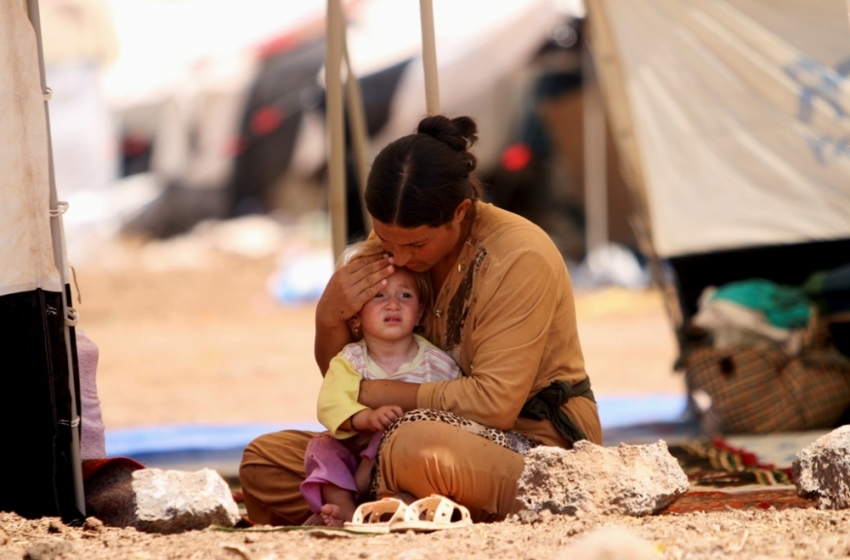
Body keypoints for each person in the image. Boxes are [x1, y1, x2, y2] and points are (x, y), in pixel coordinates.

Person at [240, 115, 602, 525]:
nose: (399, 257)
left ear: (460, 212)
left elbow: (494, 405)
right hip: (392, 444)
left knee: (412, 447)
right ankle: (390, 504)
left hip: (534, 448)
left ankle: (381, 503)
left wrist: (377, 395)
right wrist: (330, 316)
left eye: (416, 243)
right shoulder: (390, 251)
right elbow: (347, 377)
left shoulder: (518, 256)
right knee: (264, 460)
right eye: (386, 239)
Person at [300, 240, 461, 526]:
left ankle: (386, 508)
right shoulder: (351, 359)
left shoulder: (437, 363)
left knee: (401, 440)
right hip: (354, 455)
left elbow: (455, 409)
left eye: (405, 295)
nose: (393, 304)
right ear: (355, 317)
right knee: (321, 447)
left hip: (401, 463)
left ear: (420, 312)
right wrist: (366, 417)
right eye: (378, 296)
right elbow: (331, 401)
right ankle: (345, 509)